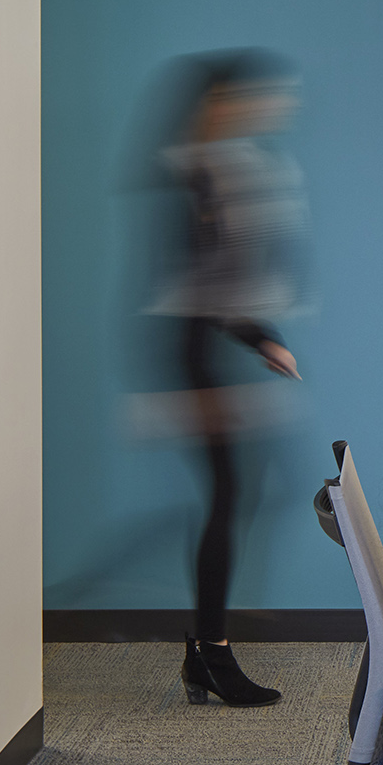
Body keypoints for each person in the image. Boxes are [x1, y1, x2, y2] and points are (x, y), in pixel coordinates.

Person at [132, 52, 307, 708]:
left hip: (205, 355)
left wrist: (261, 337)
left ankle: (205, 650)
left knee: (238, 492)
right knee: (232, 493)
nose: (256, 111)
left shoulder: (214, 171)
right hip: (190, 361)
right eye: (243, 100)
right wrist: (255, 334)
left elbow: (220, 282)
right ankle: (211, 652)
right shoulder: (190, 176)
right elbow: (193, 285)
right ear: (215, 105)